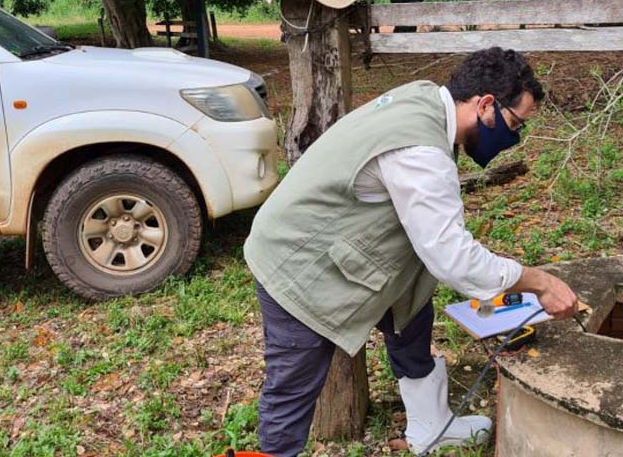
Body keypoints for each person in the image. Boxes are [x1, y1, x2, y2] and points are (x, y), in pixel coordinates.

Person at [244, 47, 579, 457]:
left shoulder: (427, 100)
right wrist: (538, 283)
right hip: (297, 260)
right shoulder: (420, 151)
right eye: (514, 124)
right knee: (293, 387)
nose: (515, 138)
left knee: (412, 312)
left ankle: (430, 426)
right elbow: (454, 260)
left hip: (346, 240)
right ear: (486, 104)